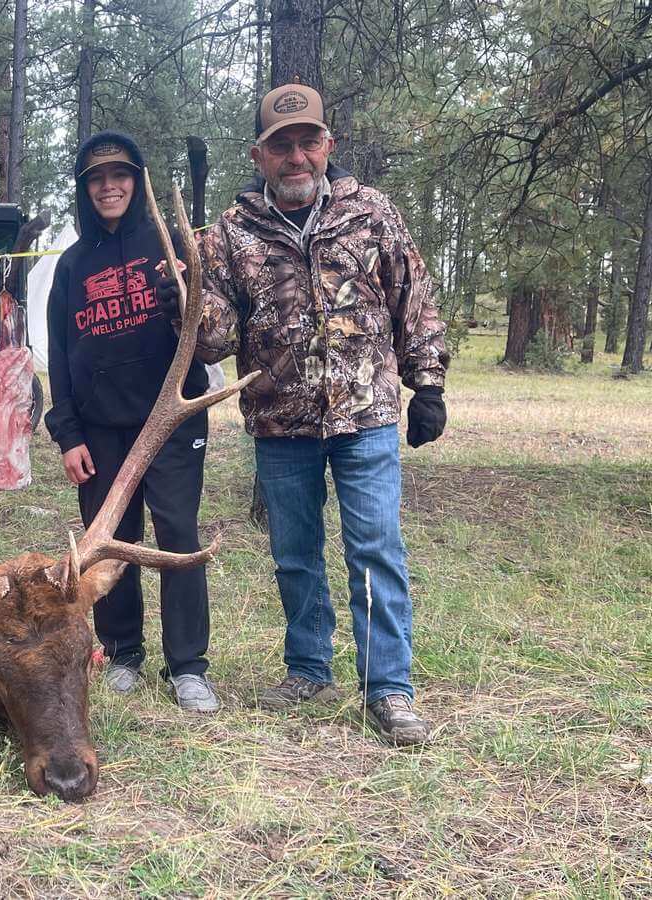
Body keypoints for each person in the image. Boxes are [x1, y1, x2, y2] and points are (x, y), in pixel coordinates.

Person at [173, 83, 449, 744]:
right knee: (294, 555)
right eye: (281, 146)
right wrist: (185, 291)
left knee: (375, 550)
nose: (295, 157)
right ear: (259, 155)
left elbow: (412, 298)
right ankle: (308, 669)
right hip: (280, 423)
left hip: (366, 416)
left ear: (328, 144)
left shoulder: (371, 212)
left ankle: (388, 688)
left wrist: (428, 383)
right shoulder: (232, 233)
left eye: (307, 142)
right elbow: (214, 341)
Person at [44, 131, 219, 713]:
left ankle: (188, 666)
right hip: (100, 431)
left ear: (137, 181)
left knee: (177, 536)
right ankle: (122, 654)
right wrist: (68, 435)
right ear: (84, 189)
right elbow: (59, 357)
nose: (109, 187)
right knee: (110, 544)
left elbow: (211, 330)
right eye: (96, 179)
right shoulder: (72, 266)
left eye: (119, 175)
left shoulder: (171, 247)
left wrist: (183, 300)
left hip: (170, 421)